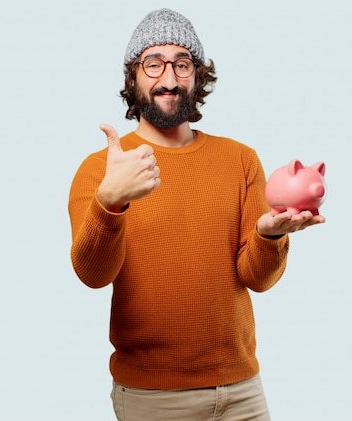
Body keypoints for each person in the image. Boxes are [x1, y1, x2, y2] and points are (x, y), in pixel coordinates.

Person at [68, 8, 324, 421]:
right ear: (132, 77)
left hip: (243, 391)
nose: (168, 79)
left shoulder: (240, 159)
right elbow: (92, 276)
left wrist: (270, 235)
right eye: (153, 64)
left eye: (181, 64)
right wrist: (110, 203)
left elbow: (258, 280)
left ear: (197, 76)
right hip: (153, 398)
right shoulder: (101, 169)